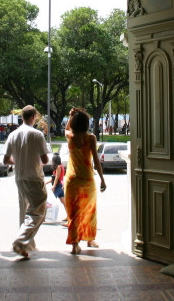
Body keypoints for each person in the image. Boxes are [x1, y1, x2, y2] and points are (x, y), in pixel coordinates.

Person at [3, 105, 50, 259]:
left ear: (22, 117)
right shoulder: (37, 135)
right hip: (34, 177)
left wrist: (18, 162)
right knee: (39, 212)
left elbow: (5, 160)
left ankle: (26, 246)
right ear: (33, 117)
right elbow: (45, 159)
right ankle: (21, 241)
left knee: (25, 211)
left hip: (19, 177)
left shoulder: (13, 135)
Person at [64, 107, 106, 255]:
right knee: (89, 210)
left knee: (74, 213)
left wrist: (71, 116)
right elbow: (96, 160)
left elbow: (67, 128)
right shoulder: (91, 139)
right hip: (87, 180)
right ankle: (89, 238)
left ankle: (75, 245)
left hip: (72, 181)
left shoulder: (70, 137)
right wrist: (102, 179)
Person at [49, 154, 67, 224]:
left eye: (53, 160)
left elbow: (57, 178)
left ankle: (44, 215)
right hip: (60, 185)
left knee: (51, 200)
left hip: (58, 186)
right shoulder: (60, 166)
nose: (52, 161)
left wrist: (54, 186)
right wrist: (45, 183)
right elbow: (53, 178)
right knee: (64, 202)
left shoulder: (59, 167)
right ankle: (69, 216)